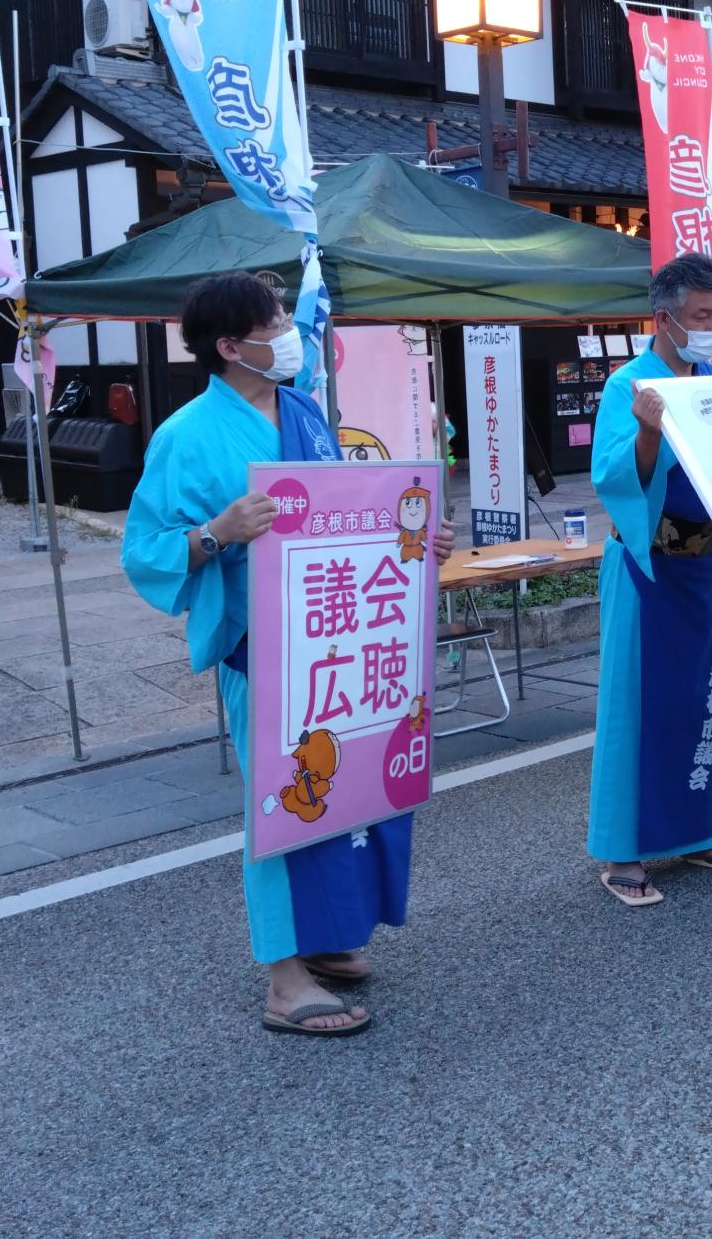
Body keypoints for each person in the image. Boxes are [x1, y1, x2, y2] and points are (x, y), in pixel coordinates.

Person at [122, 272, 455, 1038]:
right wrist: (216, 533)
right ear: (231, 346)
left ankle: (323, 941)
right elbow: (144, 552)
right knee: (277, 800)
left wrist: (416, 539)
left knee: (336, 787)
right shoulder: (184, 436)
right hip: (262, 646)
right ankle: (281, 975)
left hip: (328, 640)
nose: (289, 331)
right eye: (274, 322)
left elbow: (349, 521)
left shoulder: (303, 409)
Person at [587, 253, 712, 906]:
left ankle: (698, 831)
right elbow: (614, 476)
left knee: (701, 698)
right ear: (662, 318)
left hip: (698, 566)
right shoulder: (628, 387)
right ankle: (621, 849)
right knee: (635, 704)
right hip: (645, 565)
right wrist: (647, 431)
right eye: (701, 316)